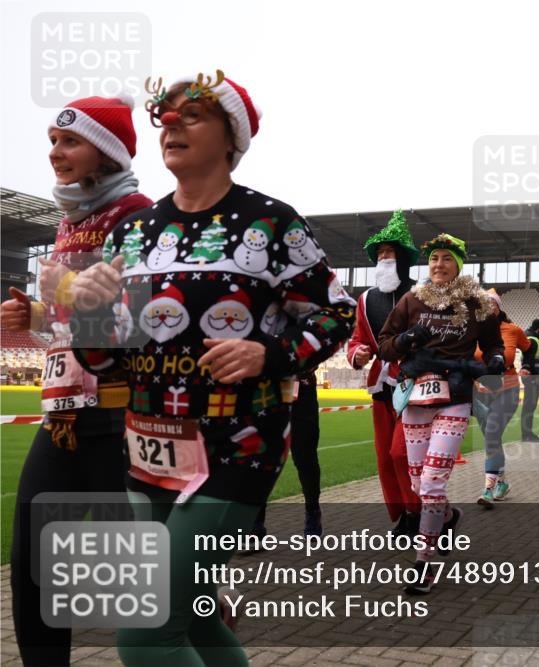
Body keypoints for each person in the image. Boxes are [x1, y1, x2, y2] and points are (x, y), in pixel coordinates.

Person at [69, 71, 356, 666]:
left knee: (146, 632)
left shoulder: (272, 222)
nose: (171, 124)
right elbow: (106, 360)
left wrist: (270, 354)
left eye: (192, 114)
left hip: (236, 448)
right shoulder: (132, 231)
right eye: (165, 114)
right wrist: (90, 315)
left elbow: (336, 314)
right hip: (146, 453)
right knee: (195, 612)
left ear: (233, 138)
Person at [2, 95, 152, 667]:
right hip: (63, 416)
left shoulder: (139, 216)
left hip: (123, 419)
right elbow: (72, 325)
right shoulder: (68, 224)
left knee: (145, 582)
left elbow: (139, 322)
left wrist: (60, 297)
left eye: (70, 141)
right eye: (52, 140)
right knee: (34, 562)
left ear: (107, 151)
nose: (54, 152)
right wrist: (36, 319)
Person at [378, 233, 503, 594]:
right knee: (419, 485)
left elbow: (493, 343)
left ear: (459, 265)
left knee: (432, 483)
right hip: (415, 399)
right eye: (434, 258)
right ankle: (448, 517)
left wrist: (494, 359)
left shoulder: (478, 303)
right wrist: (404, 341)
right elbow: (385, 346)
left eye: (447, 258)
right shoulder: (411, 299)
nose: (439, 265)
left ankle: (424, 563)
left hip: (455, 397)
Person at [347, 210, 422, 535]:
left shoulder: (422, 293)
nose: (383, 259)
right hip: (381, 388)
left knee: (401, 455)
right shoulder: (364, 299)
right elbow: (357, 340)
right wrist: (357, 355)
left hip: (415, 386)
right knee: (384, 458)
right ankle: (404, 515)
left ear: (403, 258)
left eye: (389, 253)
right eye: (379, 255)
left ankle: (420, 512)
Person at [473, 289, 535, 507]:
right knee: (493, 439)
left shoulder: (512, 329)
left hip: (507, 388)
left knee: (491, 433)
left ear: (499, 307)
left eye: (492, 304)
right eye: (483, 304)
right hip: (479, 391)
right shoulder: (472, 330)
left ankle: (488, 489)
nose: (488, 307)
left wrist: (527, 366)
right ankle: (503, 482)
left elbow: (531, 347)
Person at [248, 369, 322, 540]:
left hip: (300, 390)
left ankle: (313, 513)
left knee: (305, 458)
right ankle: (255, 524)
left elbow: (316, 347)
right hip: (265, 388)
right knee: (261, 457)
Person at [519, 318, 539, 442]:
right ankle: (526, 435)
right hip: (532, 379)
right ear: (538, 328)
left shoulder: (531, 338)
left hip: (532, 378)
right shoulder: (533, 340)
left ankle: (528, 433)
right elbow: (529, 362)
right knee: (529, 407)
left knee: (529, 407)